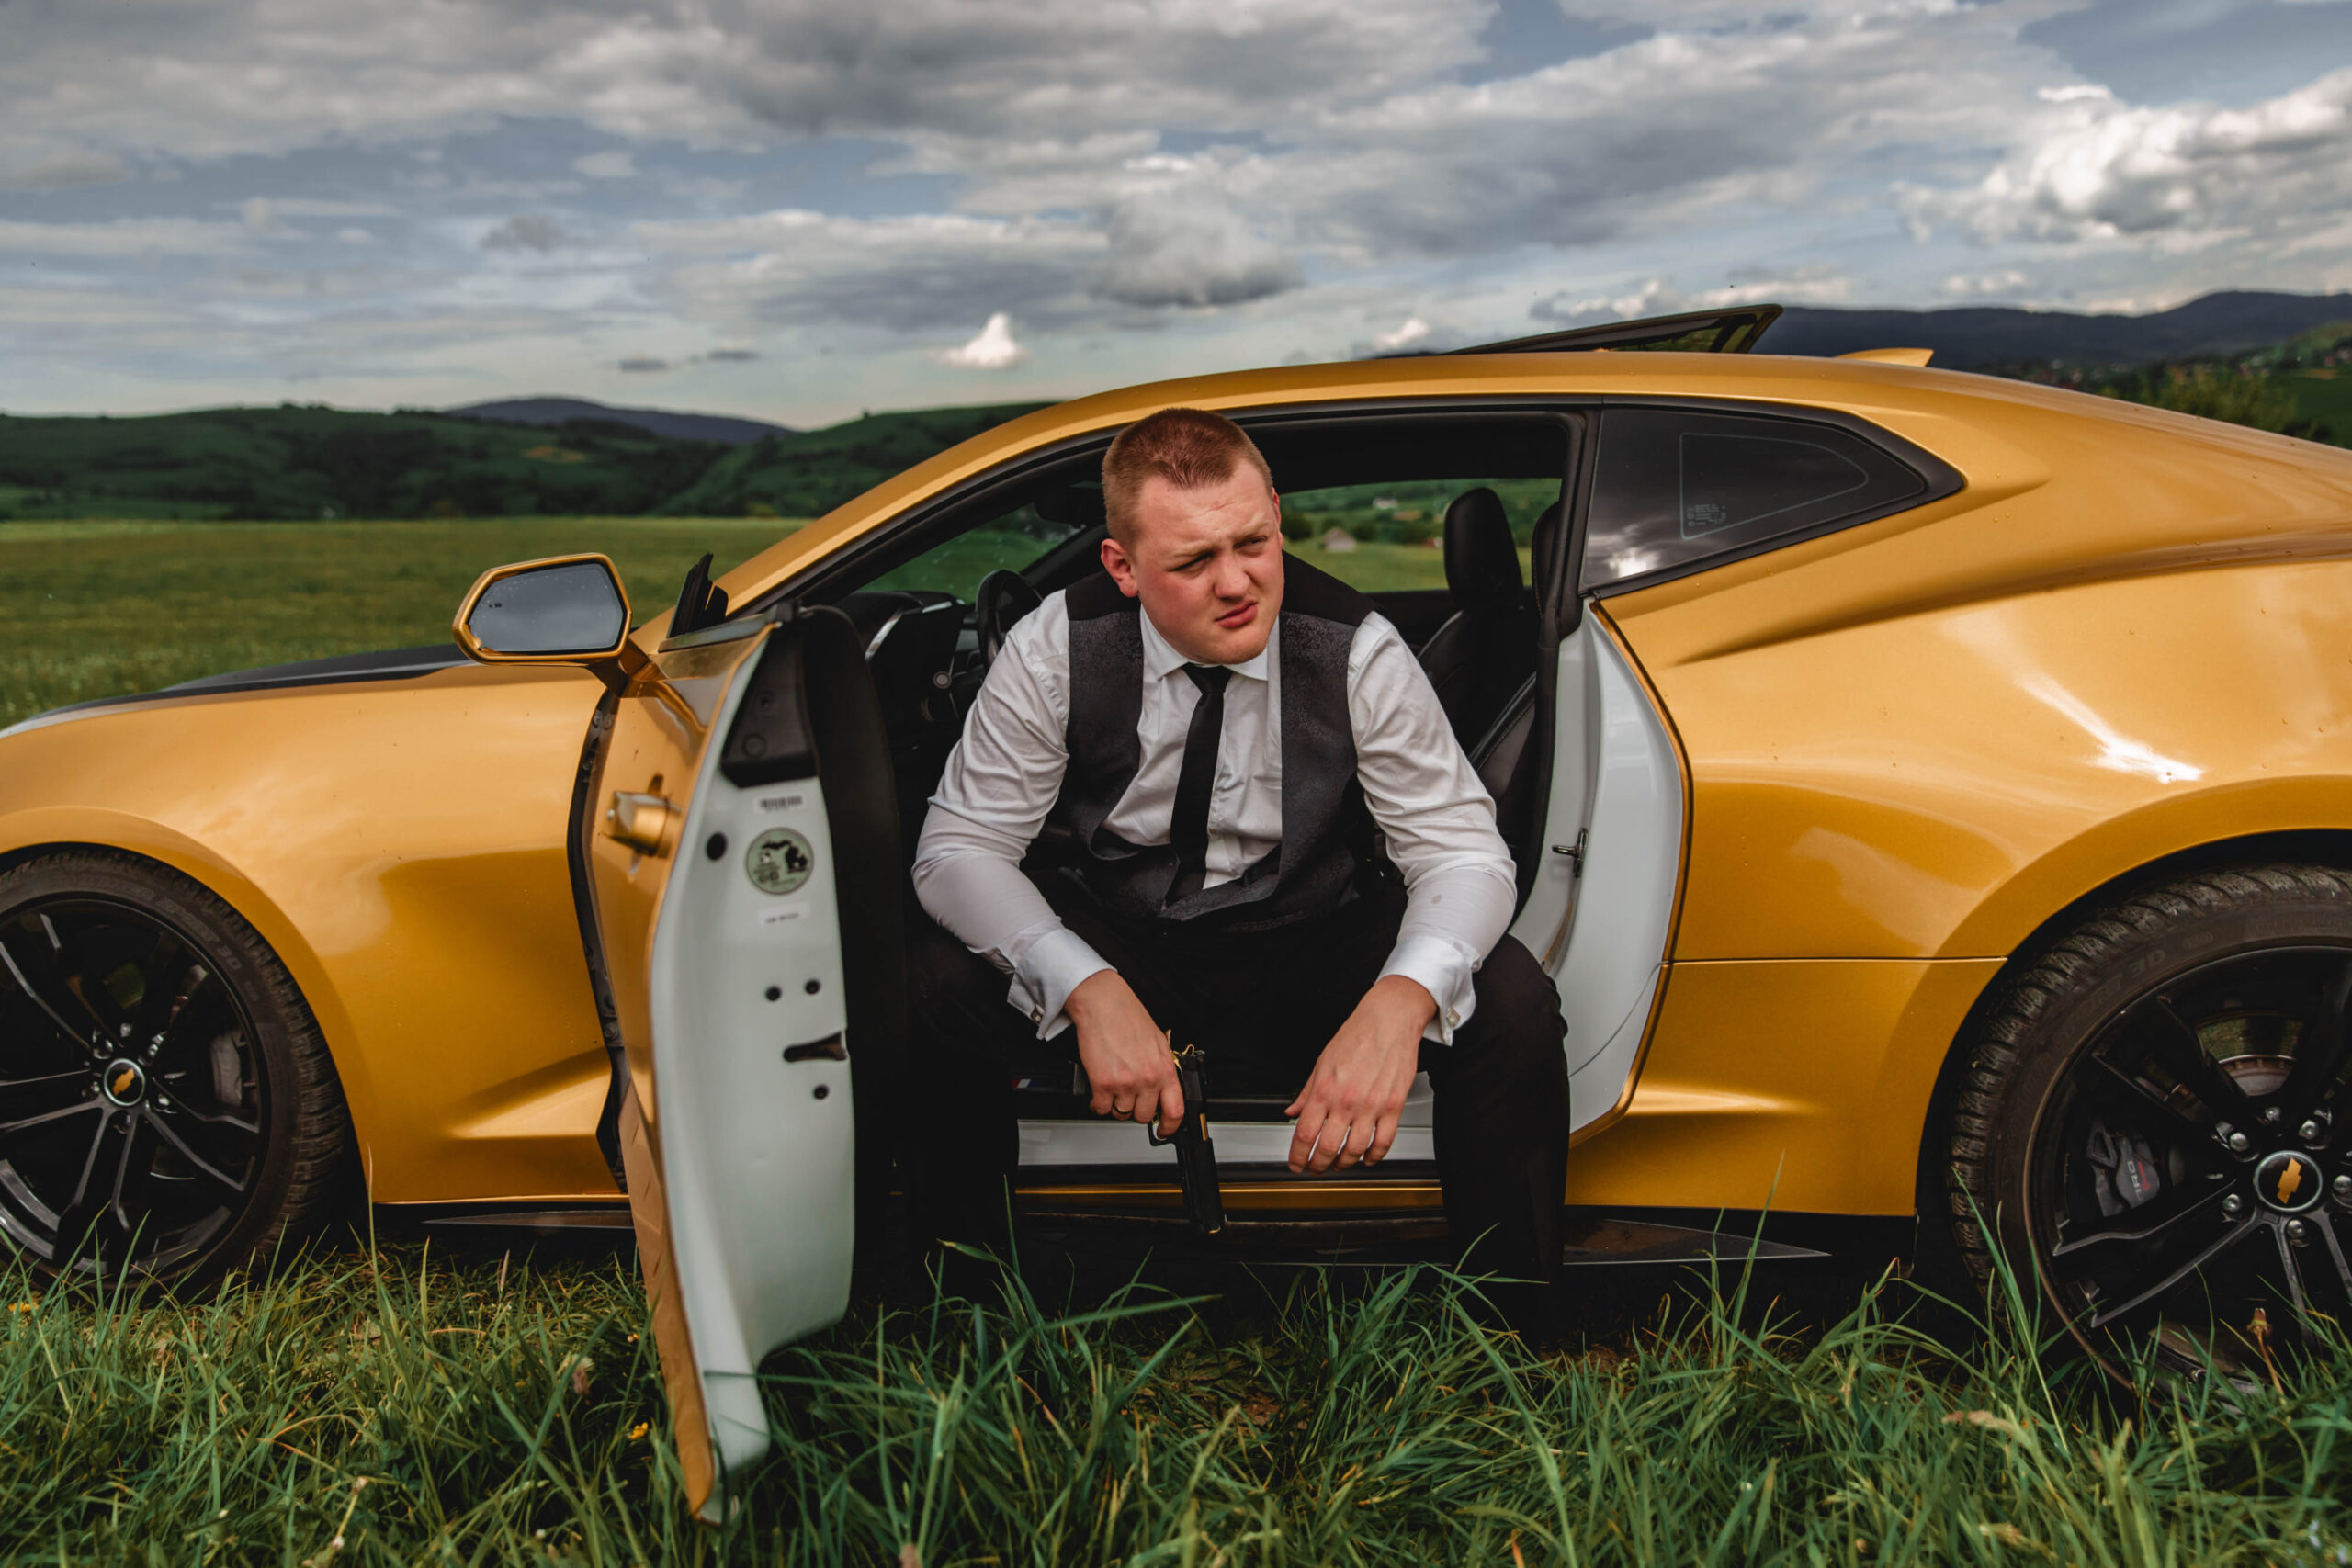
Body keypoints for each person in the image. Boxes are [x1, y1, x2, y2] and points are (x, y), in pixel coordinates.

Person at [904, 406, 1571, 1310]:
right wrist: (1083, 987)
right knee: (936, 980)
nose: (1237, 584)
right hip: (1124, 938)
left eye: (1254, 543)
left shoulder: (1360, 650)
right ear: (1122, 567)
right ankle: (962, 1303)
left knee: (1510, 998)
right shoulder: (1052, 648)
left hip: (1308, 936)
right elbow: (958, 848)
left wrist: (1399, 1002)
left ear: (1277, 518)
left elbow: (1464, 855)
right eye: (1192, 562)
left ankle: (1511, 1316)